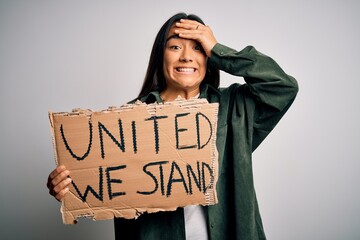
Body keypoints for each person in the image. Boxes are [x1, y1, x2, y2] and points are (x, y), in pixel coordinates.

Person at [47, 12, 298, 240]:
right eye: (175, 46)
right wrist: (71, 186)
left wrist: (219, 50)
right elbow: (96, 183)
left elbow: (283, 87)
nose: (187, 56)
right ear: (161, 56)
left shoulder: (235, 108)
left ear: (208, 58)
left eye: (199, 48)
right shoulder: (128, 120)